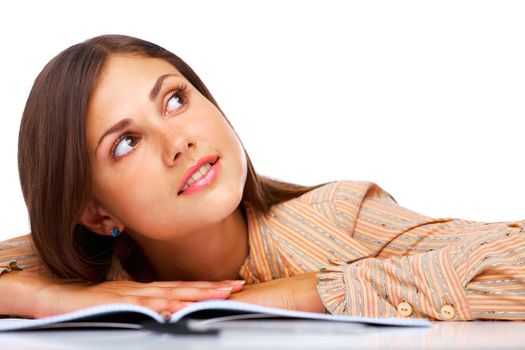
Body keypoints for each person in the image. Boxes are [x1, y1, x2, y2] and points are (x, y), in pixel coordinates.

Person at [1, 34, 524, 321]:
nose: (178, 141)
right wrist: (50, 300)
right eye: (126, 141)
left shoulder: (339, 218)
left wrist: (307, 295)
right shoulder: (94, 276)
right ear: (97, 213)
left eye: (176, 99)